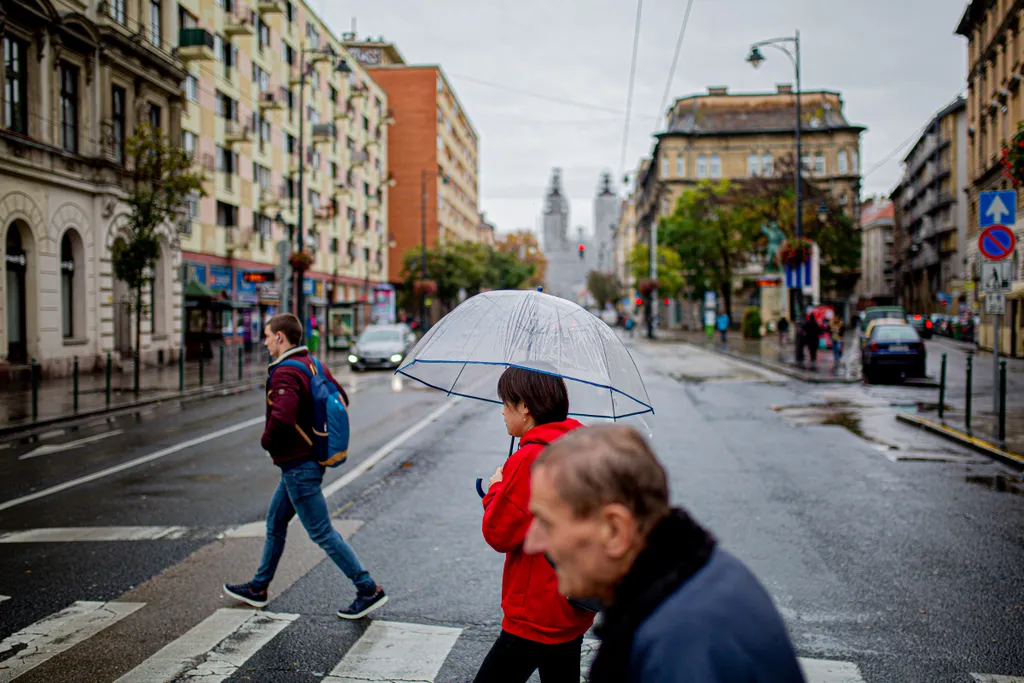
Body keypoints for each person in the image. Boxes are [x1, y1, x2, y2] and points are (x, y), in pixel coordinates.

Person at [524, 425, 805, 683]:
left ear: (615, 530)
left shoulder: (678, 644)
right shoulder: (699, 578)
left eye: (547, 522)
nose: (532, 543)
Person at [224, 313, 388, 620]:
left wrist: (266, 441)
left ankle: (367, 588)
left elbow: (283, 418)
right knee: (275, 522)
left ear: (281, 338)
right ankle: (259, 587)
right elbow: (340, 398)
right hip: (304, 463)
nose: (265, 341)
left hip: (300, 466)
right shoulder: (313, 363)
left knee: (322, 532)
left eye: (268, 335)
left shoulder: (286, 371)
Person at [474, 367, 595, 683]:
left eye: (505, 403)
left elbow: (499, 532)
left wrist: (496, 489)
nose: (502, 411)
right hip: (573, 603)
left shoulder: (532, 459)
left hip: (536, 612)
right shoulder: (579, 445)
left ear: (525, 406)